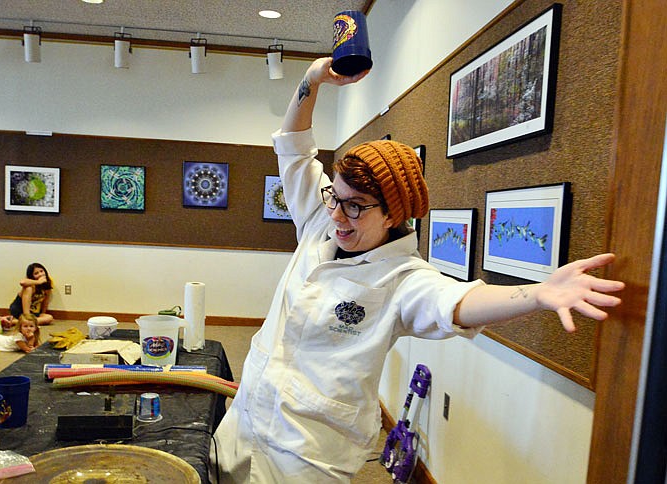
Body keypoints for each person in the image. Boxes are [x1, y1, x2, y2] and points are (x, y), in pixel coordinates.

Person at [210, 58, 625, 483]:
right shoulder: (321, 219)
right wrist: (313, 79)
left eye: (356, 206)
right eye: (336, 197)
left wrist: (537, 294)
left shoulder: (405, 279)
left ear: (393, 214)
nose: (338, 214)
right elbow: (295, 146)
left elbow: (459, 301)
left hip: (309, 452)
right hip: (247, 416)